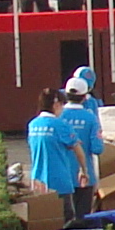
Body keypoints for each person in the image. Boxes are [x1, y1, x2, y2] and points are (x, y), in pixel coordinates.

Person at [23, 89, 89, 221]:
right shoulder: (61, 125)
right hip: (59, 181)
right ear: (56, 105)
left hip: (37, 180)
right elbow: (78, 150)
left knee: (43, 219)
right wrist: (83, 170)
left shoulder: (32, 125)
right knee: (66, 219)